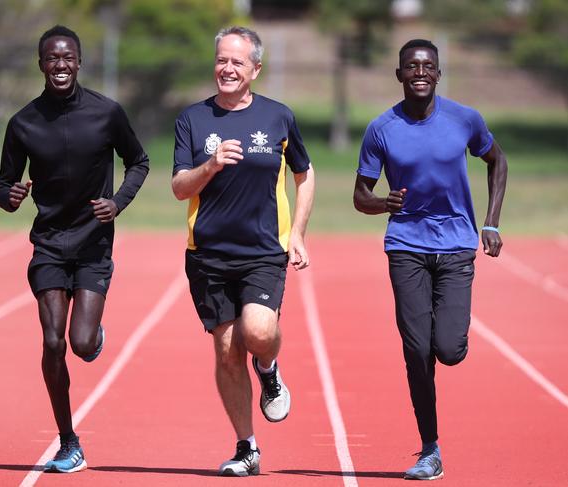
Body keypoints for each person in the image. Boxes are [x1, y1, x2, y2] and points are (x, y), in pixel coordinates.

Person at [0, 25, 149, 473]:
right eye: (51, 58)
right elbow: (3, 186)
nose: (59, 65)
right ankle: (68, 440)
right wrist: (9, 197)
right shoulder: (22, 123)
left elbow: (138, 161)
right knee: (52, 341)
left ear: (79, 62)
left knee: (80, 344)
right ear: (40, 64)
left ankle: (93, 333)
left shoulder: (107, 113)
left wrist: (118, 202)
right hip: (48, 244)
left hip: (94, 242)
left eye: (67, 58)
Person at [353, 38, 507, 480]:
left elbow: (497, 162)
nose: (420, 72)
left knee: (449, 350)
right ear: (399, 74)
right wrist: (384, 203)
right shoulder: (382, 129)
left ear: (438, 73)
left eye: (428, 66)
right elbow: (360, 194)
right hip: (406, 246)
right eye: (411, 66)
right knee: (417, 349)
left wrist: (491, 223)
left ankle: (446, 333)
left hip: (457, 245)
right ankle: (429, 449)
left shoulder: (465, 119)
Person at [172, 26, 315, 477]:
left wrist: (298, 234)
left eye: (237, 62)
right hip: (208, 254)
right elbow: (178, 188)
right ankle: (246, 447)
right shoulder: (193, 120)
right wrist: (210, 166)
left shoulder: (278, 117)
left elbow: (305, 174)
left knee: (257, 332)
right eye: (221, 60)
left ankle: (269, 369)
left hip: (262, 251)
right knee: (227, 351)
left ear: (255, 68)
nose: (226, 68)